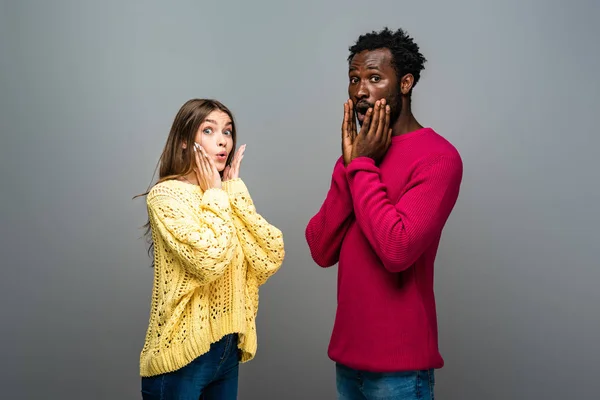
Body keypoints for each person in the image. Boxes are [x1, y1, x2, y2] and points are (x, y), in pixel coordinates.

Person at [305, 28, 463, 400]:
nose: (360, 91)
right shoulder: (357, 158)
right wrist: (352, 167)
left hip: (401, 373)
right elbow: (320, 249)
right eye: (355, 79)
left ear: (405, 83)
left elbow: (397, 249)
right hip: (348, 364)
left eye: (375, 78)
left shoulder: (439, 158)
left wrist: (359, 166)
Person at [136, 98, 285, 399]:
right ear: (183, 142)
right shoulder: (166, 197)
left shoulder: (224, 195)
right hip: (182, 356)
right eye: (209, 130)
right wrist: (218, 195)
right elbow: (209, 260)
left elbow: (269, 255)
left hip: (226, 352)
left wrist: (233, 190)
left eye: (227, 132)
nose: (222, 142)